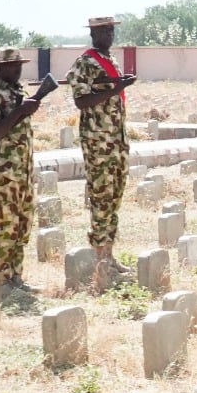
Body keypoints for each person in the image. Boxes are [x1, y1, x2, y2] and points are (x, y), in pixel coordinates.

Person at [66, 16, 137, 292]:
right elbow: (81, 101)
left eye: (112, 30)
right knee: (101, 197)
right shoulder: (86, 62)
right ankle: (99, 259)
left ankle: (109, 254)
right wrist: (118, 87)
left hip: (116, 141)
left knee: (114, 196)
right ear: (94, 33)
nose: (110, 34)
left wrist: (118, 84)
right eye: (105, 31)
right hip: (98, 142)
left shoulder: (110, 60)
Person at [0, 47, 42, 307]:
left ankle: (16, 275)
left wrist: (25, 107)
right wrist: (20, 111)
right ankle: (3, 281)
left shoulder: (19, 91)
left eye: (19, 64)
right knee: (7, 225)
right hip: (6, 172)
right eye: (12, 65)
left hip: (23, 169)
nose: (18, 69)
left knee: (23, 225)